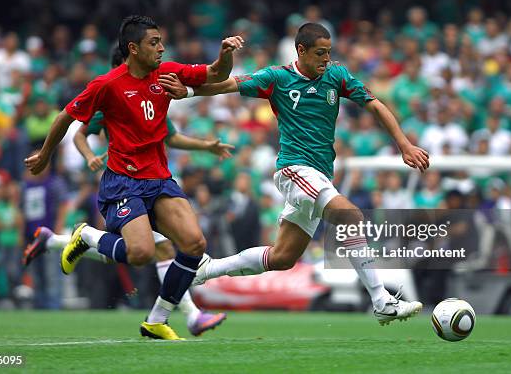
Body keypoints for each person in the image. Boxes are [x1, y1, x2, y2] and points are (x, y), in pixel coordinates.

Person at [161, 23, 430, 325]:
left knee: (282, 258)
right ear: (300, 50)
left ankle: (206, 270)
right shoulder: (277, 77)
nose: (326, 59)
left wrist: (404, 144)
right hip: (294, 169)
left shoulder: (337, 75)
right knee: (351, 215)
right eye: (320, 53)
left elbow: (375, 105)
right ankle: (381, 300)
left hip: (320, 175)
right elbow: (229, 84)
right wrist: (188, 91)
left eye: (329, 52)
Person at [25, 15, 244, 340]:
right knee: (141, 254)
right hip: (124, 182)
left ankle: (157, 319)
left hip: (159, 179)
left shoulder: (167, 73)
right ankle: (86, 237)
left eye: (161, 41)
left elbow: (214, 74)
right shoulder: (107, 85)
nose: (161, 47)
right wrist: (44, 155)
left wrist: (225, 53)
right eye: (154, 42)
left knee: (194, 244)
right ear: (133, 48)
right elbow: (65, 118)